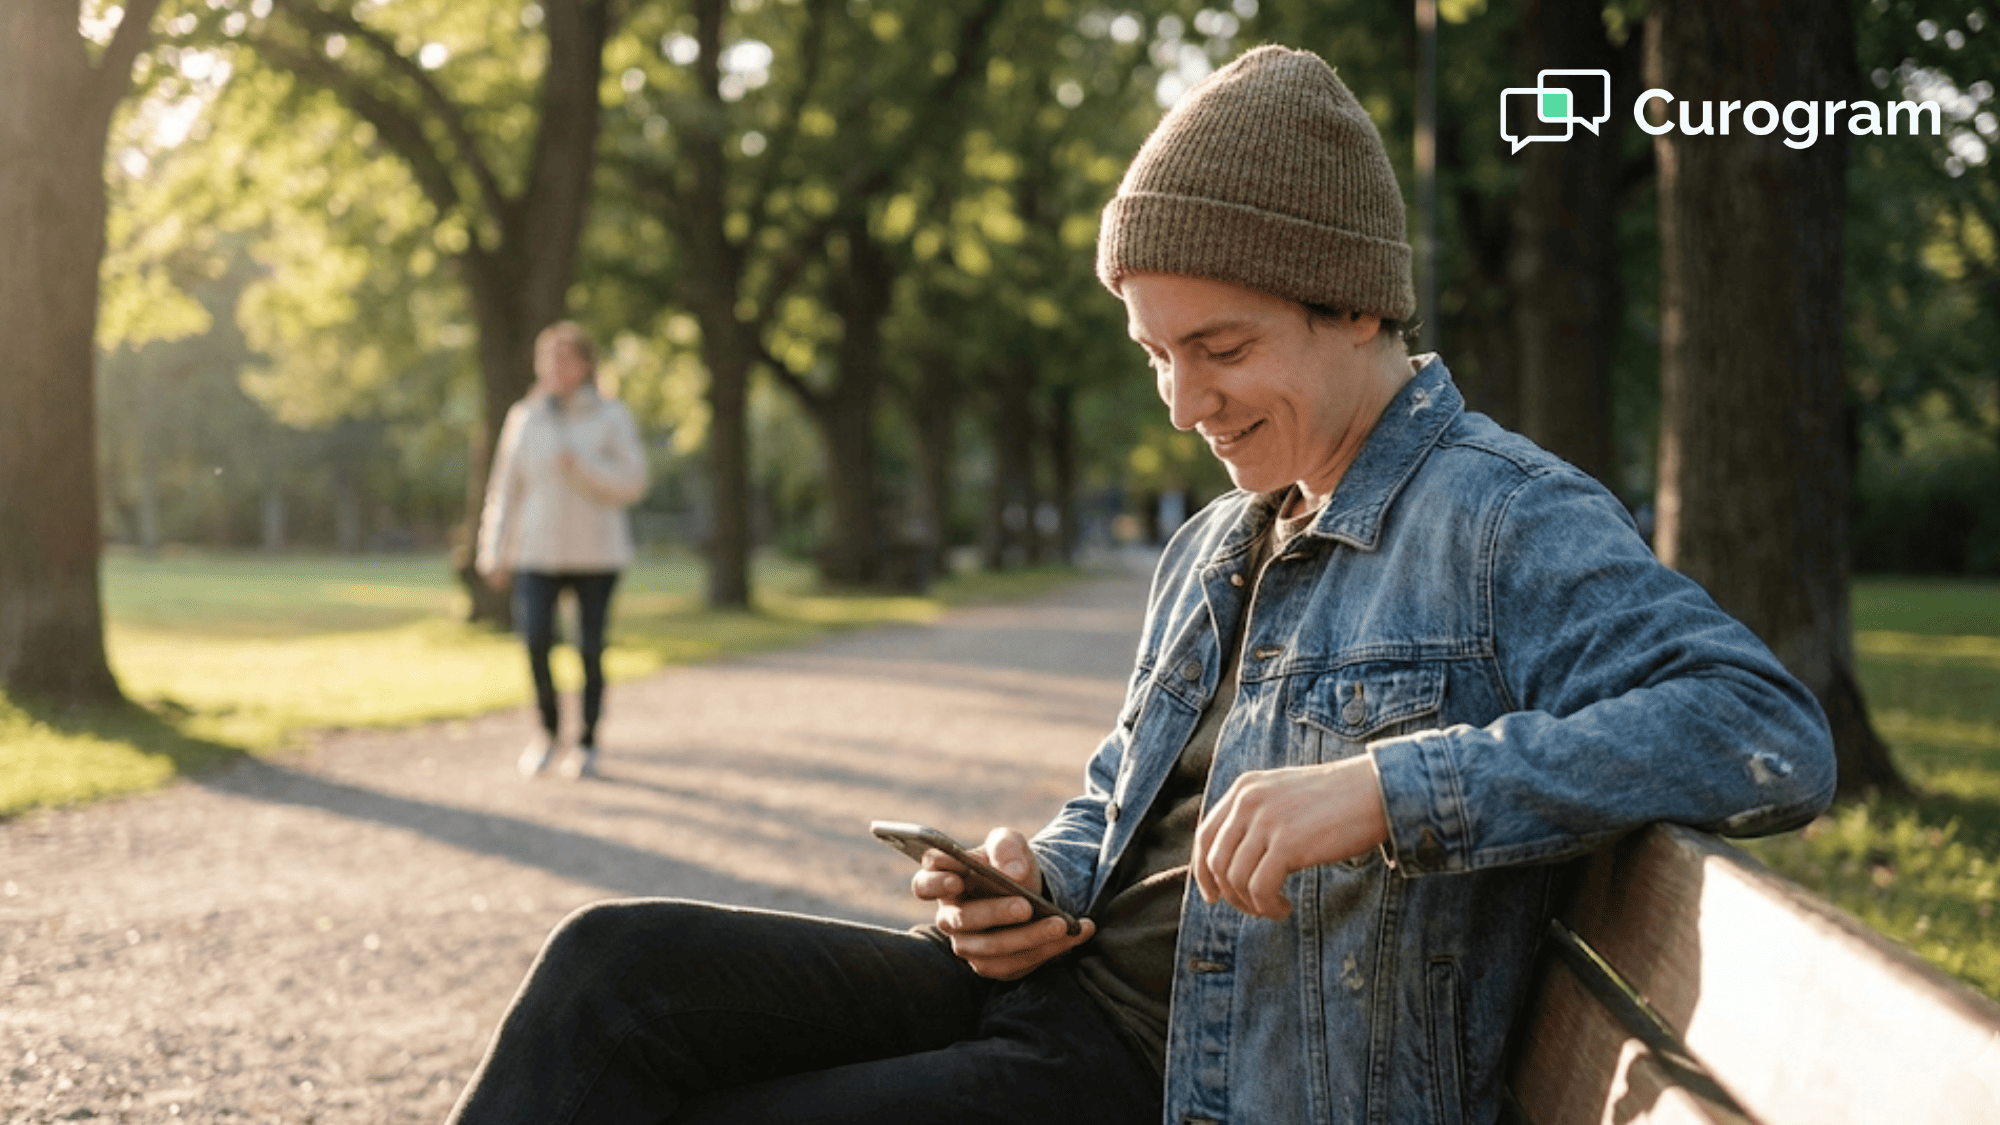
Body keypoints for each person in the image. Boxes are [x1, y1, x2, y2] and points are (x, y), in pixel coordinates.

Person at [443, 46, 1835, 1124]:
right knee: (612, 967)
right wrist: (1028, 874)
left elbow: (1763, 731)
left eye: (1219, 346)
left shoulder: (1501, 516)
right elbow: (1117, 808)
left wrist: (1390, 787)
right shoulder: (1225, 538)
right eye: (1158, 355)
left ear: (1354, 305)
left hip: (1188, 1079)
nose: (1185, 404)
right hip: (1052, 997)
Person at [475, 320, 649, 781]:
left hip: (597, 554)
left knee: (590, 648)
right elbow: (504, 489)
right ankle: (549, 733)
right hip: (537, 552)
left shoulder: (612, 416)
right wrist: (493, 551)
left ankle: (588, 740)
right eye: (548, 358)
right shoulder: (525, 417)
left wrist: (584, 468)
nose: (554, 367)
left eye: (564, 358)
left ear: (585, 365)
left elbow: (633, 481)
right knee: (535, 642)